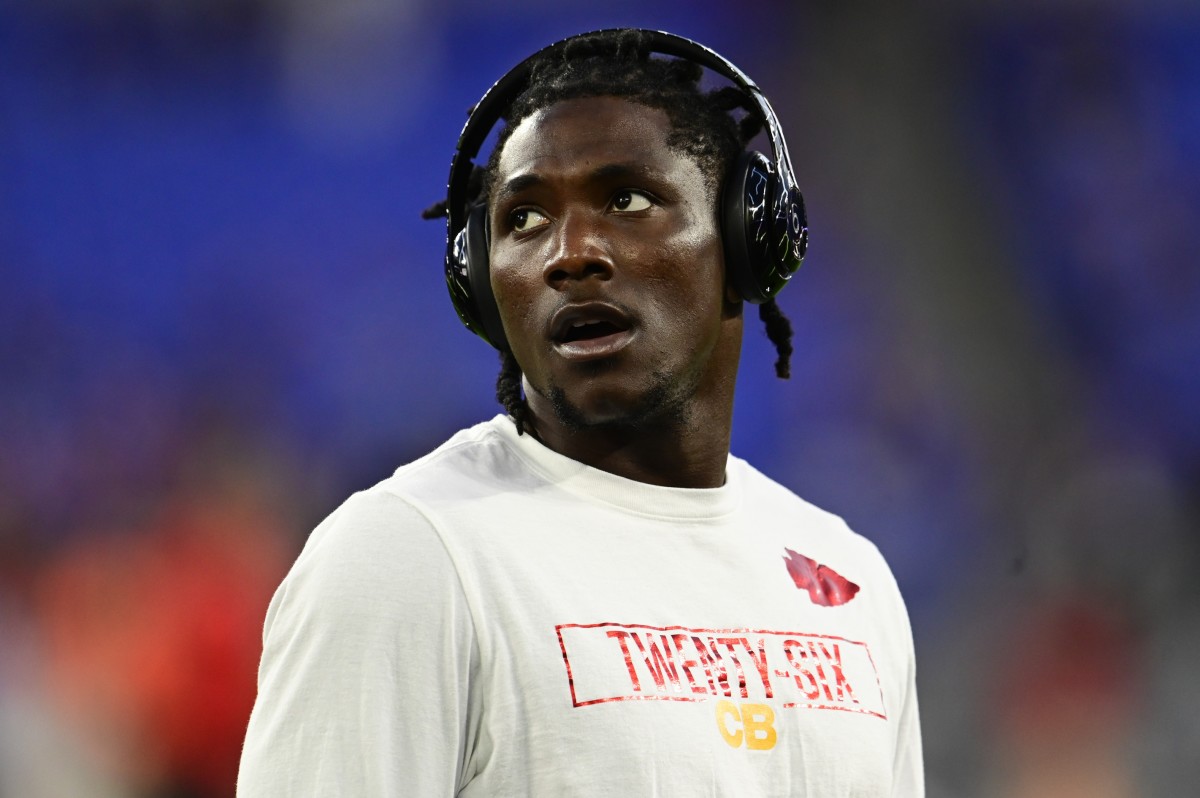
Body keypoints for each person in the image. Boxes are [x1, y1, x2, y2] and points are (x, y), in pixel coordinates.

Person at [238, 28, 923, 797]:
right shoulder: (412, 559)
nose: (570, 252)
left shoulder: (850, 583)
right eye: (524, 219)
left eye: (627, 199)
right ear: (482, 284)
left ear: (746, 239)